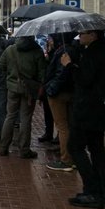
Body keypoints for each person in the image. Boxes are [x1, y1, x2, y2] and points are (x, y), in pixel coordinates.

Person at [61, 29, 105, 209]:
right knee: (97, 149)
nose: (79, 36)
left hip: (88, 108)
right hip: (101, 109)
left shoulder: (93, 53)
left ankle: (92, 191)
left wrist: (69, 65)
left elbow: (84, 79)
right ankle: (101, 193)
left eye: (83, 33)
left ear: (93, 35)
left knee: (75, 147)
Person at [0, 36, 47, 159]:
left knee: (10, 116)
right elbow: (42, 73)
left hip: (12, 88)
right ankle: (24, 150)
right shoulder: (37, 51)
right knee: (25, 119)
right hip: (29, 89)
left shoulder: (10, 49)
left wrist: (11, 76)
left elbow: (0, 66)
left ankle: (3, 147)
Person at [44, 33, 76, 171]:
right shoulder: (72, 49)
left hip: (60, 93)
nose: (49, 40)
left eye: (51, 37)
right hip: (70, 92)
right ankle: (72, 157)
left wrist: (50, 89)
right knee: (68, 125)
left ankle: (66, 160)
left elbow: (61, 74)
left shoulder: (64, 52)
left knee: (62, 127)